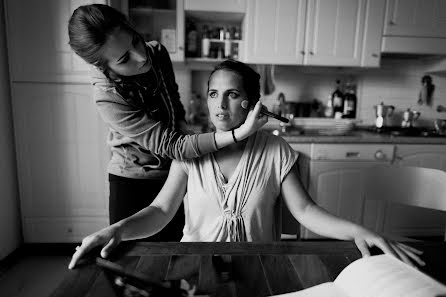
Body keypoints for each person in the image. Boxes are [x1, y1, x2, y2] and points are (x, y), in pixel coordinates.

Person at [69, 60, 424, 270]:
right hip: (197, 266)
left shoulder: (276, 151)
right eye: (213, 94)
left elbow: (305, 211)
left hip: (261, 265)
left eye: (233, 94)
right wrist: (114, 230)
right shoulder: (190, 150)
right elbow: (161, 210)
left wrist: (358, 231)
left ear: (253, 105)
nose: (220, 105)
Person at [67, 4, 267, 241]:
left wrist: (191, 133)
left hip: (173, 170)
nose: (141, 57)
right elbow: (174, 146)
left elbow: (174, 104)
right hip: (134, 178)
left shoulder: (157, 54)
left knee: (174, 258)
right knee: (132, 264)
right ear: (105, 68)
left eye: (135, 41)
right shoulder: (107, 95)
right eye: (124, 58)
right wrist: (238, 134)